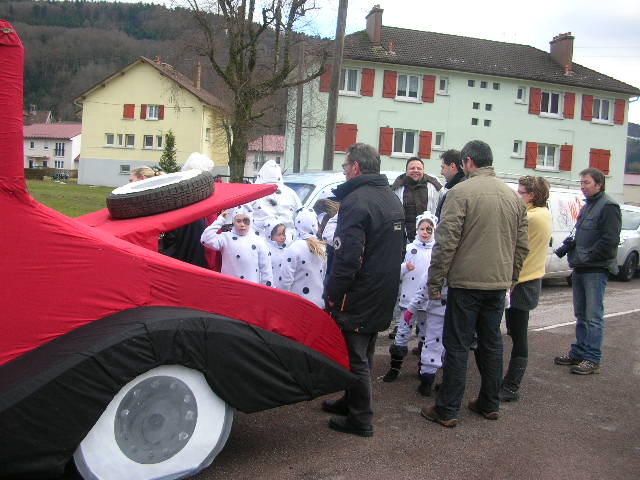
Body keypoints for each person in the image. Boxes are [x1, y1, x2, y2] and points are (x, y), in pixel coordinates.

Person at [421, 140, 528, 428]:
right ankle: (489, 403)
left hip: (466, 283)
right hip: (497, 283)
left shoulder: (460, 192)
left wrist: (435, 282)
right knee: (491, 342)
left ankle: (447, 409)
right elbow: (522, 247)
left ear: (468, 162)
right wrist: (512, 278)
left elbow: (446, 242)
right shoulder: (513, 197)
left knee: (457, 344)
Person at [321, 143, 405, 437]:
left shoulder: (357, 201)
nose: (344, 171)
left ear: (356, 167)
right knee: (363, 352)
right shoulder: (391, 198)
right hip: (382, 289)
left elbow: (347, 257)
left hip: (358, 293)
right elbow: (400, 249)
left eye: (345, 166)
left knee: (356, 356)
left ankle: (361, 418)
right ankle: (351, 401)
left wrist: (332, 292)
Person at [553, 168, 621, 375]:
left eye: (586, 183)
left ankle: (592, 358)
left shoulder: (608, 206)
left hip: (595, 269)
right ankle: (579, 351)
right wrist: (570, 246)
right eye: (581, 183)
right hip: (581, 268)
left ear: (599, 184)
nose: (582, 186)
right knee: (581, 313)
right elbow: (581, 235)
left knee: (593, 315)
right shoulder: (588, 206)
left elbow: (609, 241)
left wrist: (587, 256)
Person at [500, 176, 552, 402]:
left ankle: (512, 385)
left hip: (523, 282)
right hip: (526, 280)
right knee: (514, 332)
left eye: (521, 192)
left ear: (532, 195)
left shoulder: (532, 217)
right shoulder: (543, 213)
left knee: (519, 336)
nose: (517, 195)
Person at [383, 211, 438, 383]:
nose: (425, 232)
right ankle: (395, 367)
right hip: (408, 301)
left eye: (429, 229)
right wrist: (405, 267)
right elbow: (395, 272)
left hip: (426, 303)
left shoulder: (436, 251)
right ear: (417, 229)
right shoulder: (409, 249)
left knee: (425, 334)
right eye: (422, 228)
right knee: (402, 332)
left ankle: (423, 367)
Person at [200, 205, 273, 286]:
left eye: (246, 221)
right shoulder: (226, 237)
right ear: (234, 222)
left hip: (251, 287)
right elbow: (205, 239)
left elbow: (266, 269)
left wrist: (267, 291)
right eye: (238, 221)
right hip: (228, 286)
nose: (242, 224)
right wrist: (220, 221)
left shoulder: (258, 241)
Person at [279, 208, 327, 308]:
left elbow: (285, 280)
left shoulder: (293, 249)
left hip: (298, 304)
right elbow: (324, 276)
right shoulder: (322, 248)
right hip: (318, 303)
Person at [392, 157, 442, 242]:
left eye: (419, 168)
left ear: (423, 171)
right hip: (405, 239)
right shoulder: (397, 188)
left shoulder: (434, 186)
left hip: (429, 239)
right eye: (412, 168)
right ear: (406, 171)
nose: (416, 170)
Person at [252, 160, 302, 242]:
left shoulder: (252, 194)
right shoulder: (291, 193)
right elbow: (300, 218)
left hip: (259, 244)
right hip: (287, 243)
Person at [435, 150, 464, 219]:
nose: (441, 172)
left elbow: (449, 222)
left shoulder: (457, 192)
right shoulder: (462, 185)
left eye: (443, 167)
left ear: (452, 166)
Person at [261, 217, 288, 288]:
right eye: (279, 234)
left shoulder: (285, 249)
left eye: (284, 234)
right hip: (269, 288)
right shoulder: (265, 249)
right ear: (270, 235)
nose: (283, 237)